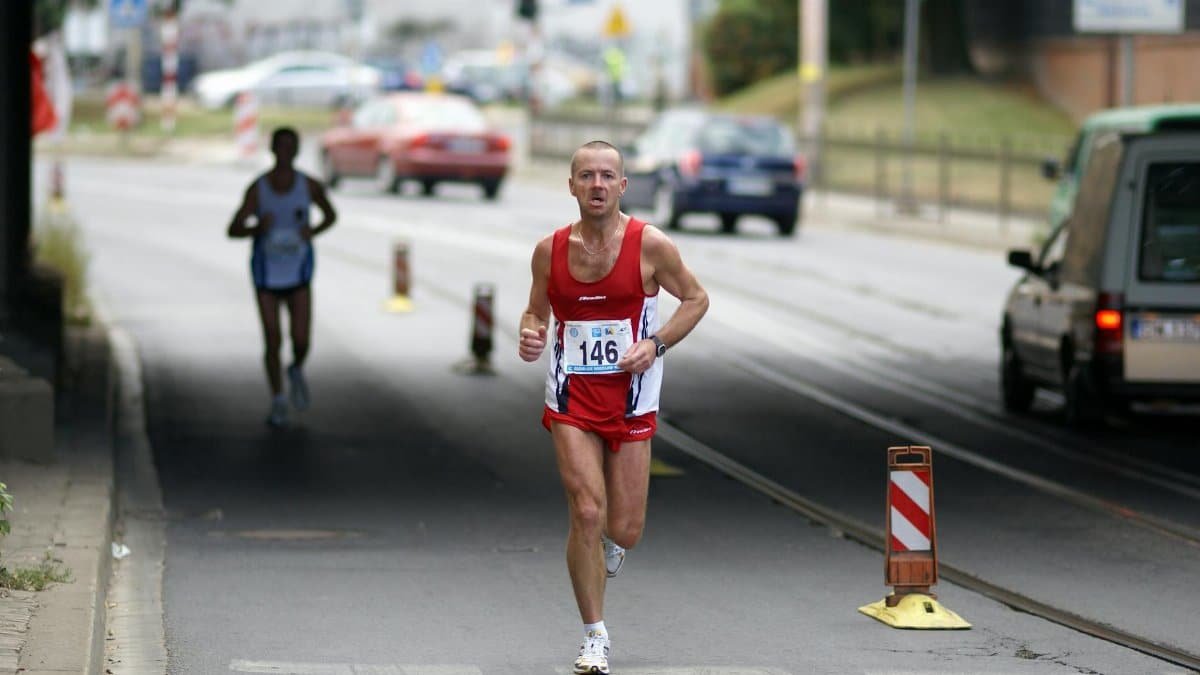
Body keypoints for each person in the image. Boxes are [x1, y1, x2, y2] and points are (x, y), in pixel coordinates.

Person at [518, 140, 709, 673]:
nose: (597, 185)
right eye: (587, 176)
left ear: (623, 186)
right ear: (572, 185)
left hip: (631, 398)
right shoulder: (549, 251)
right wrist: (530, 336)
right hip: (572, 398)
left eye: (607, 176)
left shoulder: (650, 245)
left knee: (623, 528)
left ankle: (604, 550)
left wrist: (657, 344)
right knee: (585, 510)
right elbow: (535, 313)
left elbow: (697, 299)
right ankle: (594, 635)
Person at [227, 127, 336, 428]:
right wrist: (257, 228)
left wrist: (311, 232)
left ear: (298, 151)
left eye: (292, 147)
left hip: (298, 269)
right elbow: (233, 228)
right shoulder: (258, 189)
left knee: (301, 339)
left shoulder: (309, 186)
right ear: (273, 150)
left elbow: (331, 215)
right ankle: (278, 399)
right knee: (272, 337)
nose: (286, 152)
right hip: (266, 271)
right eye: (281, 146)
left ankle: (297, 367)